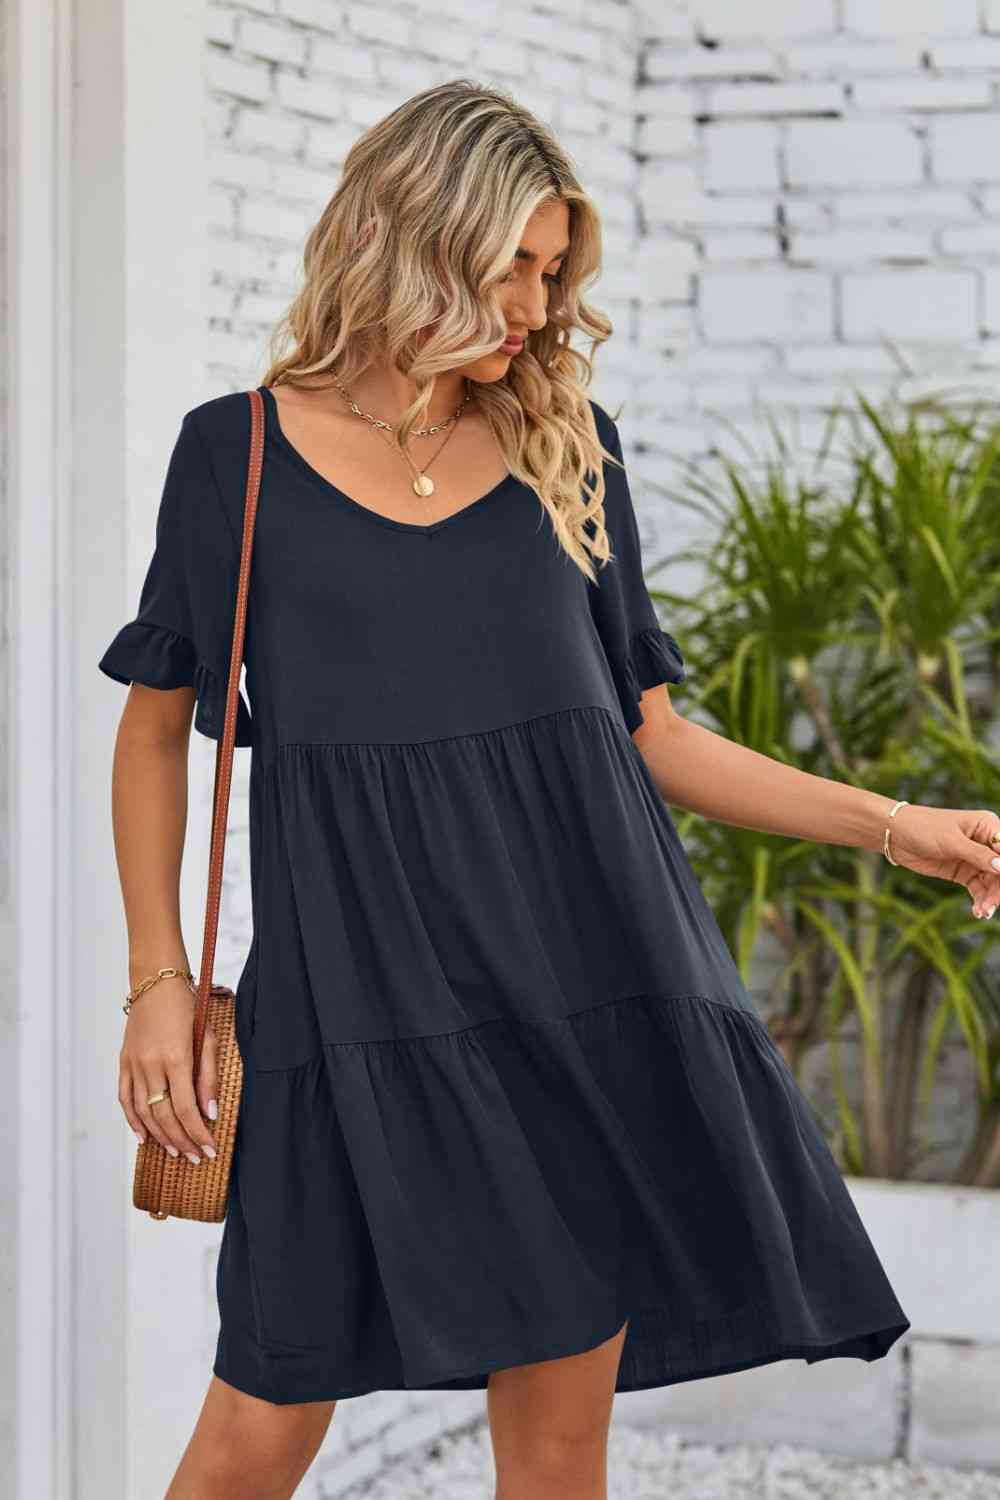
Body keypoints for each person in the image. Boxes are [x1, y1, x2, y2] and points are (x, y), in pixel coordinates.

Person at [98, 79, 997, 1500]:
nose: (534, 305)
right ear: (410, 236)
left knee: (560, 1449)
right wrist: (158, 981)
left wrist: (895, 826)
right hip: (350, 1007)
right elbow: (157, 733)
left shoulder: (567, 449)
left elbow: (654, 740)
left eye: (551, 271)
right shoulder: (239, 456)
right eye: (509, 265)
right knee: (254, 1433)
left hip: (578, 997)